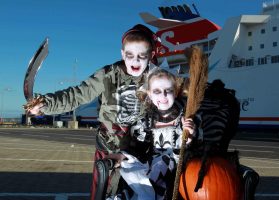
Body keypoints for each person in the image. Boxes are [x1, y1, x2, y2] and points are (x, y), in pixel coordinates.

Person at [23, 24, 159, 200]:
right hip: (110, 147)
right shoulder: (106, 75)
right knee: (105, 192)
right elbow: (76, 95)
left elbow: (176, 102)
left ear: (151, 55)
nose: (135, 61)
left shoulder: (157, 78)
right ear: (122, 53)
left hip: (141, 150)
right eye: (130, 55)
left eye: (142, 56)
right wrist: (45, 104)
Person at [112, 68, 201, 200]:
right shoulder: (147, 120)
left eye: (168, 91)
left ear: (175, 92)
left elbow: (200, 149)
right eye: (157, 91)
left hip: (182, 170)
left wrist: (191, 137)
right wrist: (122, 156)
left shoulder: (189, 117)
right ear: (149, 94)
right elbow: (138, 147)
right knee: (133, 180)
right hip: (153, 166)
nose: (163, 96)